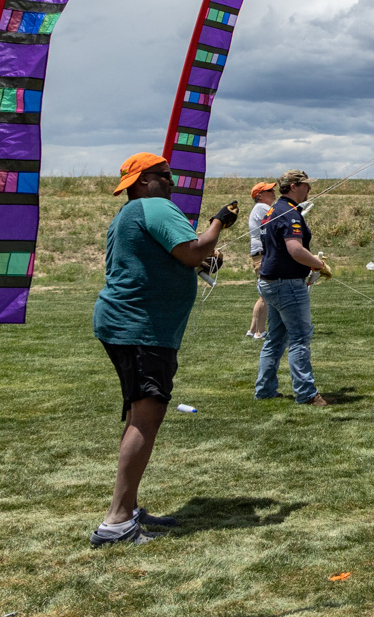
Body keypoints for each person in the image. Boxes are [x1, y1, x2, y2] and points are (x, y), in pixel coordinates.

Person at [91, 153, 236, 546]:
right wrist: (219, 221)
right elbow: (192, 251)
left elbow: (167, 259)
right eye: (165, 175)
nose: (172, 182)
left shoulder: (131, 213)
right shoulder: (155, 206)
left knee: (139, 413)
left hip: (127, 324)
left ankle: (129, 508)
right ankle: (116, 523)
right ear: (142, 181)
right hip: (141, 328)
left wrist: (198, 261)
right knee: (146, 417)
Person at [256, 169, 332, 406]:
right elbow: (295, 250)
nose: (309, 188)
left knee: (276, 339)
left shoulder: (273, 210)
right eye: (306, 184)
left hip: (270, 282)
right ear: (293, 187)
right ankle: (307, 394)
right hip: (286, 284)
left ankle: (265, 390)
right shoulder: (290, 213)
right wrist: (319, 265)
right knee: (299, 338)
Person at [244, 181, 275, 339]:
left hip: (259, 254)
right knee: (266, 294)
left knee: (263, 293)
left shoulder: (260, 208)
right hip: (263, 254)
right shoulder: (262, 207)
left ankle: (253, 329)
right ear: (260, 196)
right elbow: (278, 222)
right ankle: (260, 332)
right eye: (270, 190)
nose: (274, 192)